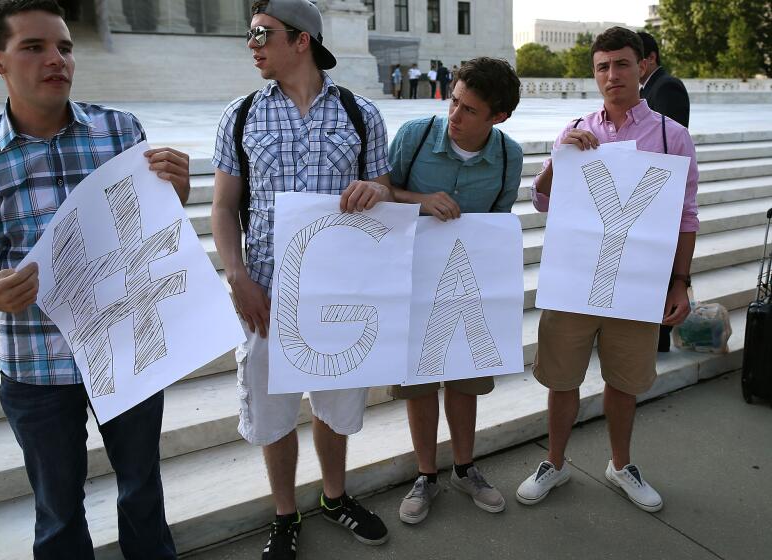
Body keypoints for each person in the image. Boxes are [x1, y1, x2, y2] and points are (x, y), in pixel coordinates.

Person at [0, 1, 190, 558]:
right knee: (56, 511)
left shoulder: (119, 130)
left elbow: (152, 227)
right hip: (35, 362)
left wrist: (175, 193)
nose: (57, 59)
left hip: (126, 348)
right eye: (34, 47)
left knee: (143, 494)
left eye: (65, 47)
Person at [210, 1, 393, 558]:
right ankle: (284, 514)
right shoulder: (239, 115)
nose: (253, 44)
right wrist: (237, 277)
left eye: (263, 33)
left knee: (335, 407)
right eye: (251, 34)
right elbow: (222, 207)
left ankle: (334, 497)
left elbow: (382, 189)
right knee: (272, 413)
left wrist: (377, 192)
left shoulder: (361, 115)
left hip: (339, 295)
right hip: (265, 293)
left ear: (302, 41)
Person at [516, 26, 698, 513]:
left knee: (624, 381)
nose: (611, 74)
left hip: (635, 284)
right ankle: (554, 463)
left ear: (642, 66)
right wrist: (557, 162)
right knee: (562, 379)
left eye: (621, 64)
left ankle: (621, 465)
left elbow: (685, 215)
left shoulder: (671, 136)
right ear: (593, 73)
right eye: (602, 66)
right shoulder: (576, 127)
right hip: (575, 279)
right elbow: (541, 201)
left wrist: (680, 281)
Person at [387, 57, 523, 524]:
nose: (454, 116)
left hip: (468, 288)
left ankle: (465, 469)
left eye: (468, 110)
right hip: (413, 282)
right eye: (454, 101)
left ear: (498, 117)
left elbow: (499, 226)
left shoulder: (509, 155)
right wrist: (419, 201)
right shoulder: (415, 135)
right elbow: (381, 193)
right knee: (419, 385)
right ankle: (426, 475)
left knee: (465, 385)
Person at [637, 30, 691, 352]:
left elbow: (668, 136)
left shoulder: (666, 86)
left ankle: (658, 338)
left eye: (635, 59)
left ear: (650, 58)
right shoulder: (650, 87)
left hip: (657, 189)